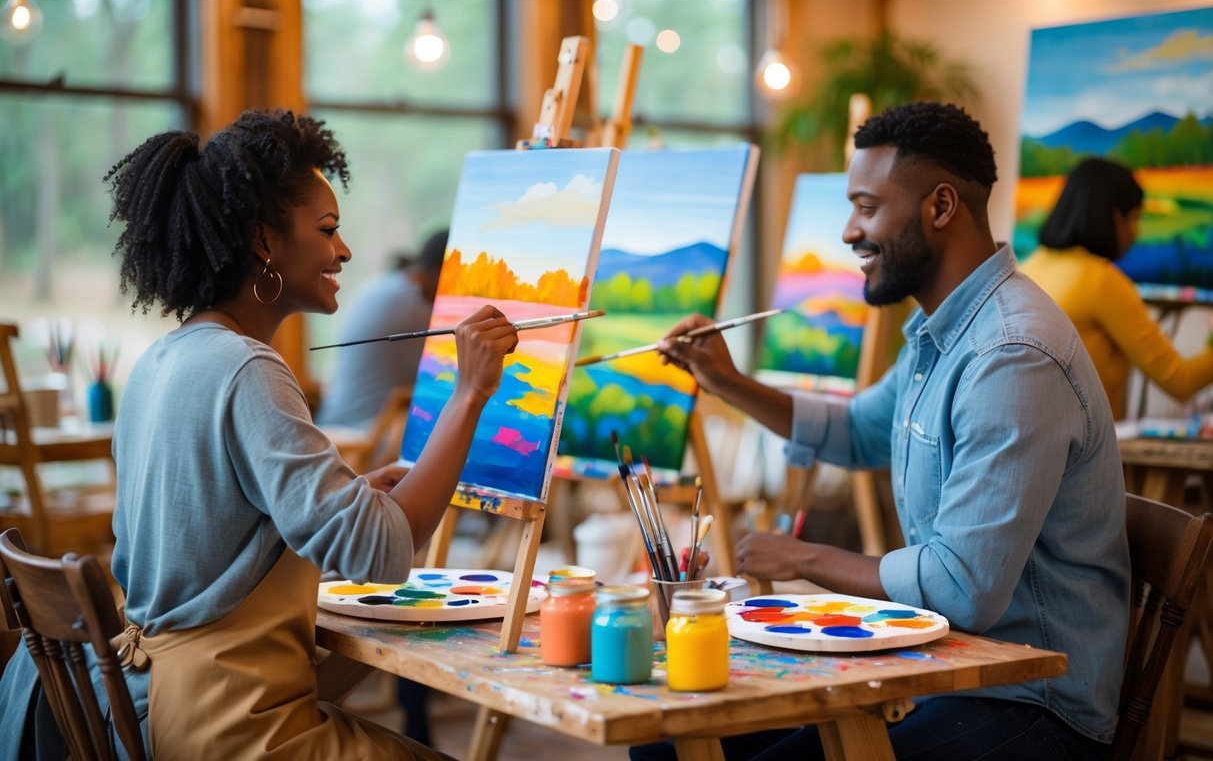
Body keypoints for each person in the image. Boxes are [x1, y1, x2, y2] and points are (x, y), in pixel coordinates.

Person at [0, 110, 518, 760]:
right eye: (327, 230)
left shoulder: (165, 359)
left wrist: (348, 495)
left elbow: (211, 534)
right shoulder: (246, 367)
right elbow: (384, 551)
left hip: (147, 707)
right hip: (227, 727)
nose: (344, 251)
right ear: (262, 243)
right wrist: (469, 391)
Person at [637, 102, 1129, 761]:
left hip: (1029, 700)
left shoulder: (1013, 355)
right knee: (668, 743)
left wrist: (803, 558)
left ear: (940, 206)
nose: (847, 231)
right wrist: (723, 381)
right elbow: (857, 431)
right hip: (941, 669)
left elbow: (961, 588)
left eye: (866, 207)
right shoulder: (942, 333)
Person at [1019, 156, 1213, 418]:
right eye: (1133, 218)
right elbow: (1181, 380)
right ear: (1112, 217)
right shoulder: (1100, 280)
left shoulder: (1027, 268)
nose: (1136, 233)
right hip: (1086, 452)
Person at [316, 228, 448, 431]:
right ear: (442, 274)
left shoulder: (388, 286)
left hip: (338, 423)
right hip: (360, 433)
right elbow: (449, 374)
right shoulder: (411, 305)